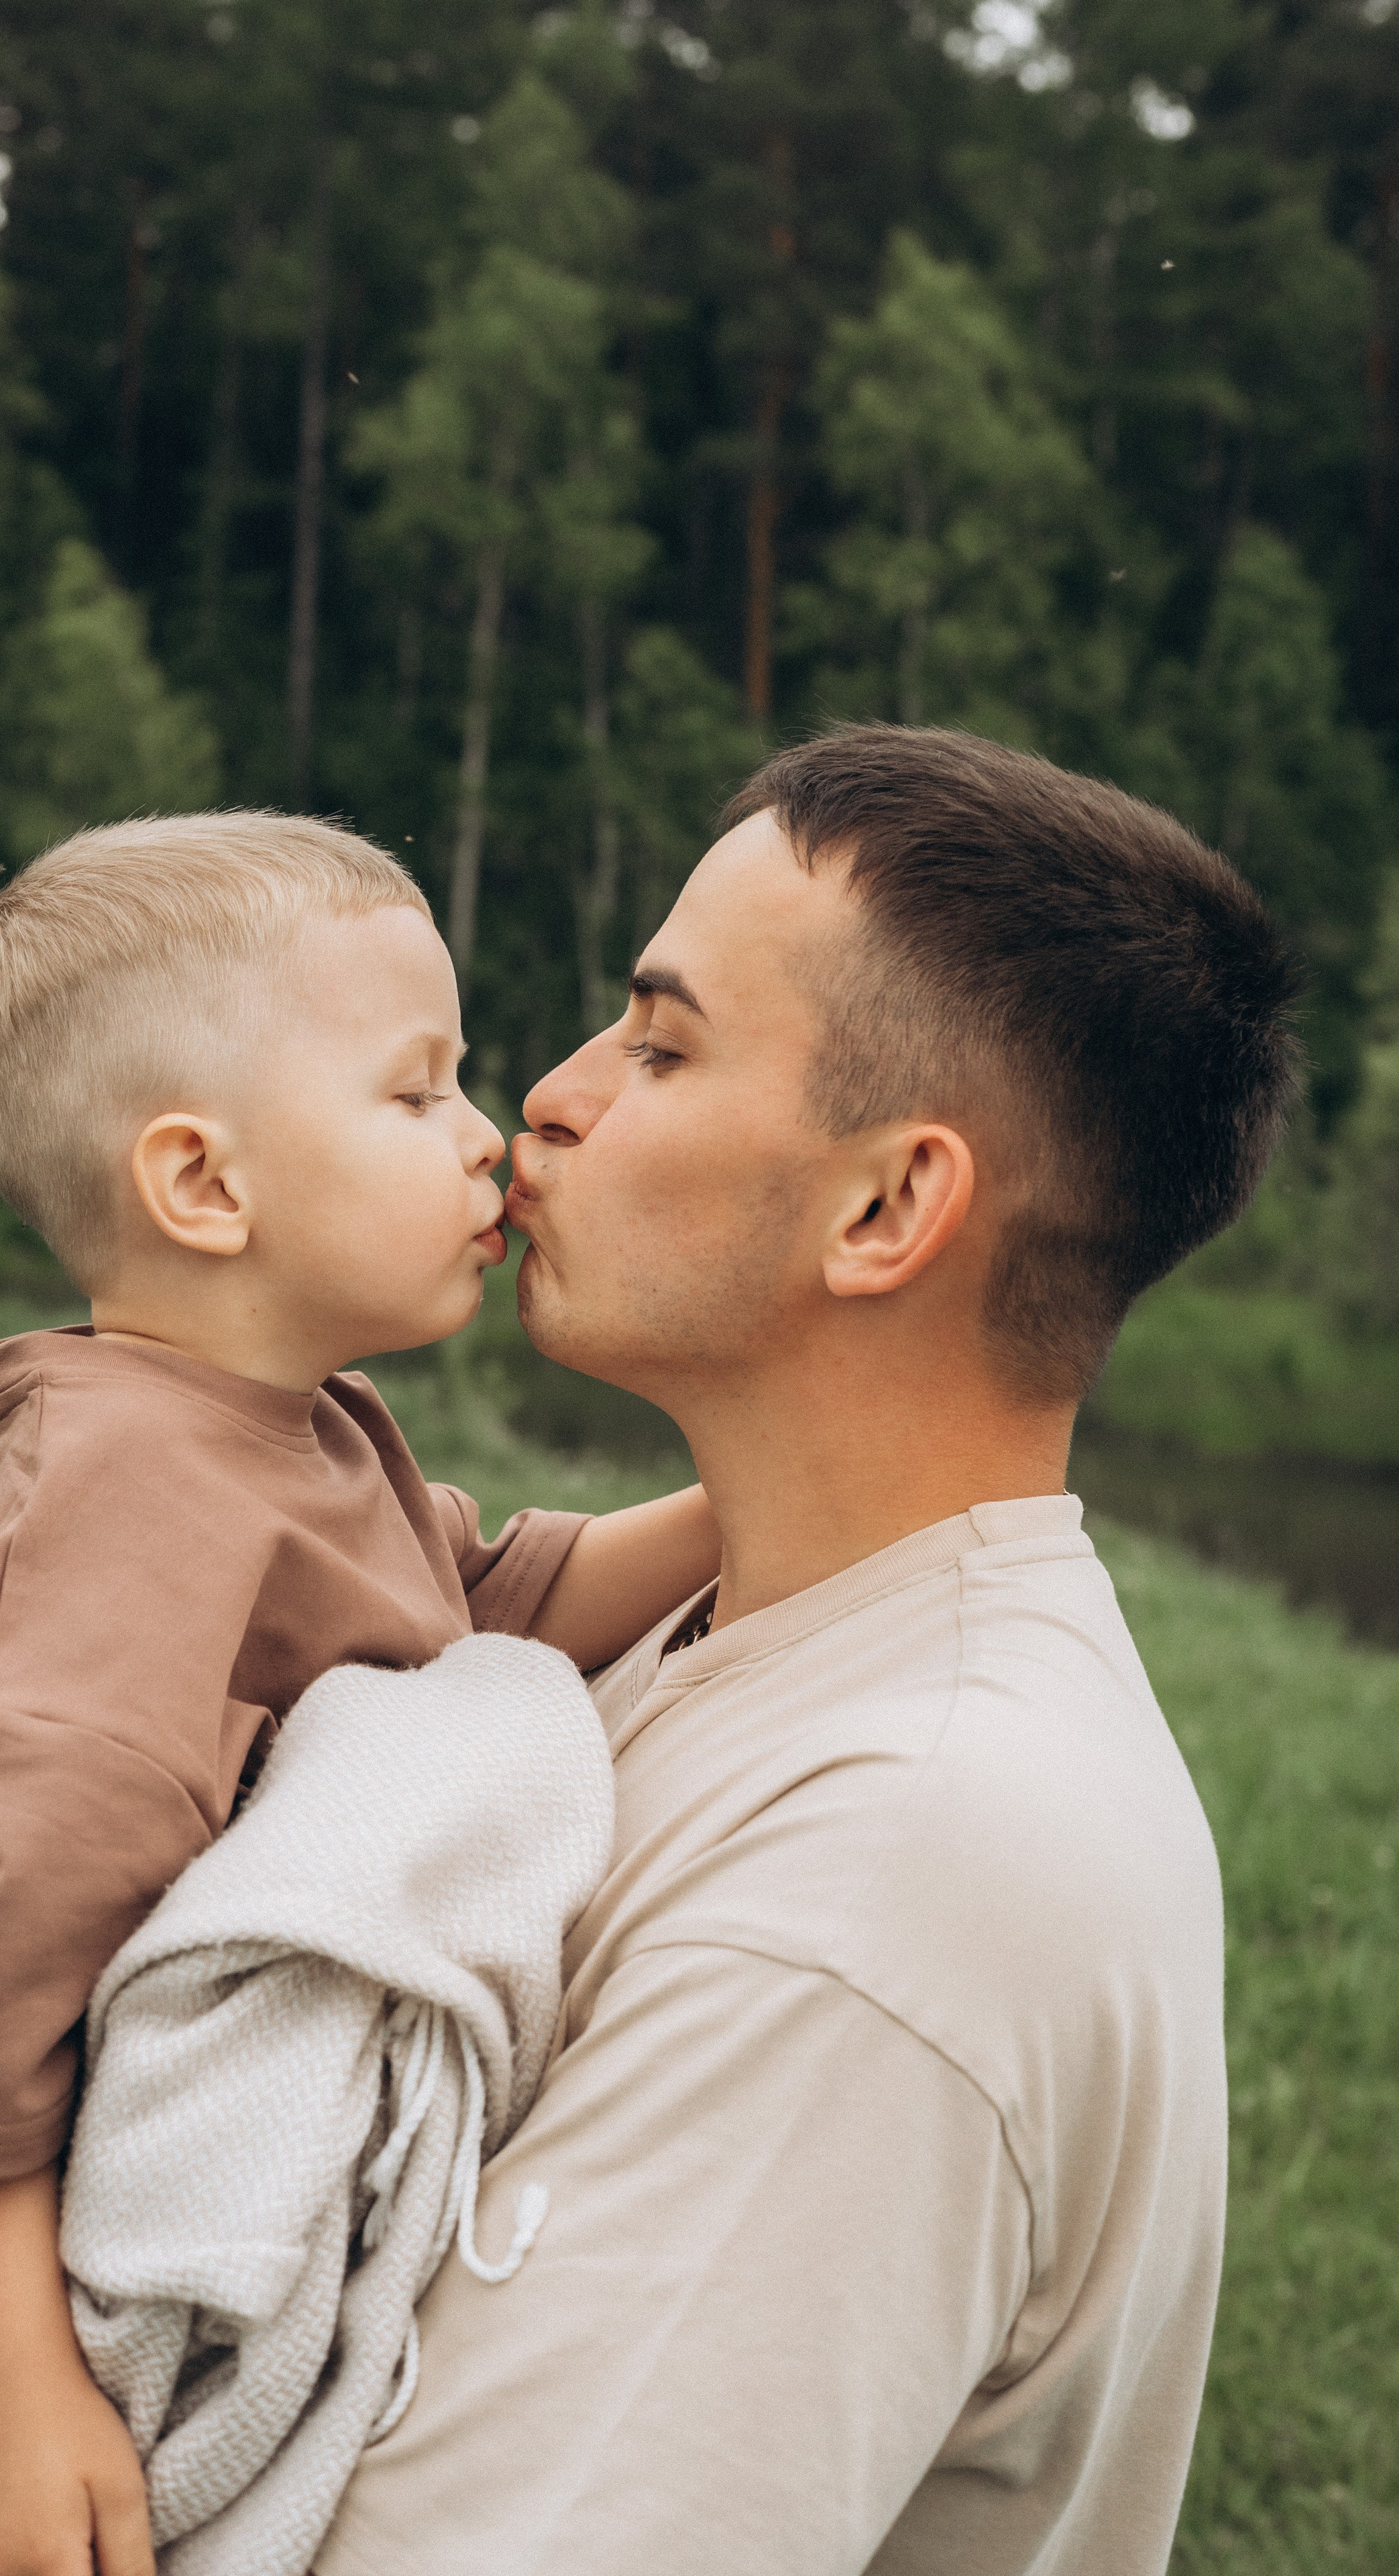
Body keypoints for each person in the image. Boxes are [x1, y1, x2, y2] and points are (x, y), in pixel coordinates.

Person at [314, 723, 1302, 2576]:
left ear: (887, 1209)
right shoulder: (761, 1628)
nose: (551, 1096)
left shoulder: (894, 1879)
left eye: (663, 1044)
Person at [0, 812, 719, 2576]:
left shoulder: (296, 1428)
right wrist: (17, 2398)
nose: (488, 1142)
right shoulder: (121, 1509)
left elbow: (489, 1604)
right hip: (116, 2240)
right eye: (417, 1097)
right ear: (207, 1187)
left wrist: (792, 1490)